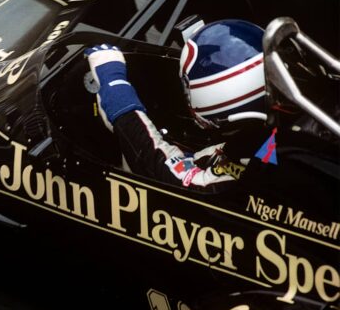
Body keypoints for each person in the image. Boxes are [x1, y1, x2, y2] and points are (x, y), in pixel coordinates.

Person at [85, 19, 277, 191]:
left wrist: (113, 85)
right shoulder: (276, 134)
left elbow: (159, 167)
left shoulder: (250, 178)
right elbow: (207, 157)